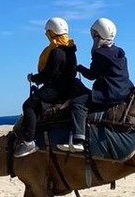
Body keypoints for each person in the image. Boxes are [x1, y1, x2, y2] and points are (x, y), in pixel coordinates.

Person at [57, 17, 133, 154]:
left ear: (97, 34)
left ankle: (78, 140)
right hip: (124, 91)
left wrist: (79, 68)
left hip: (110, 94)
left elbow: (92, 75)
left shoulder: (100, 53)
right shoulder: (119, 51)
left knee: (78, 103)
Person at [14, 17, 86, 158]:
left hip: (56, 89)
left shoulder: (57, 52)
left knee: (28, 105)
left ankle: (29, 142)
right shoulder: (70, 49)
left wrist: (33, 78)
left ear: (52, 33)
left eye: (48, 32)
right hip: (70, 87)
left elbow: (47, 74)